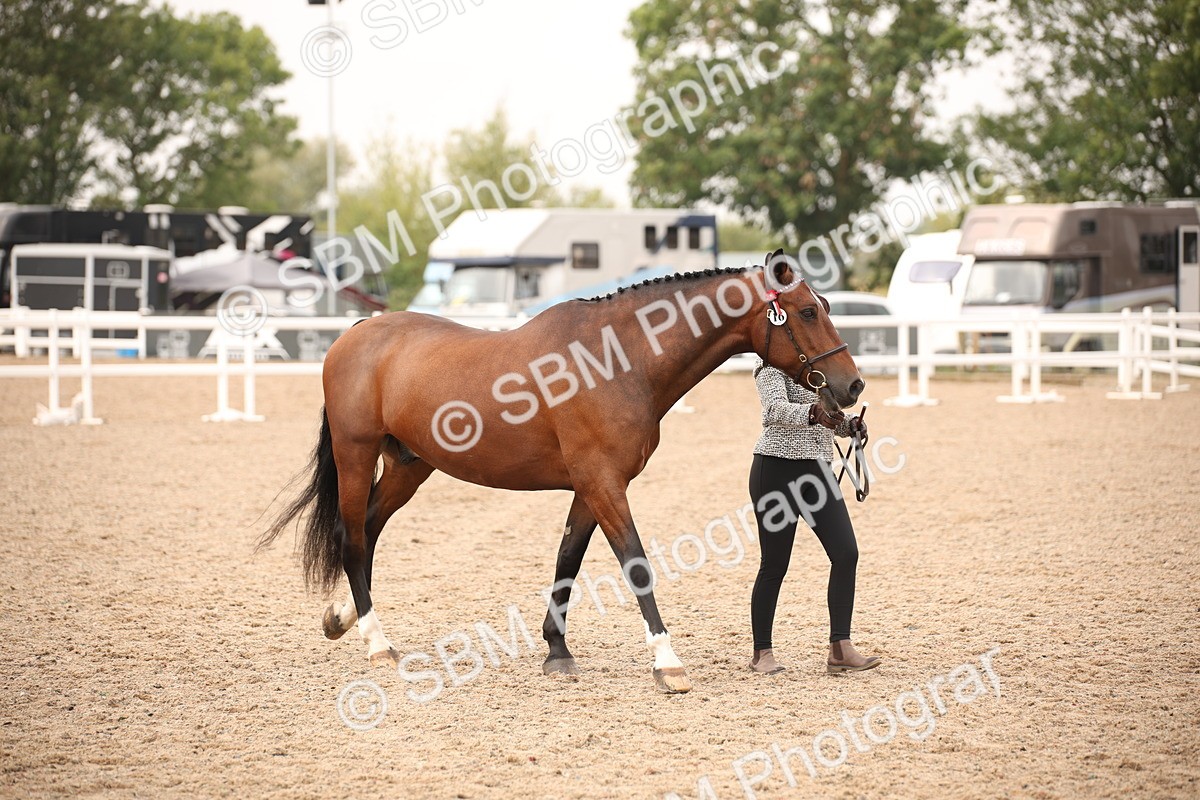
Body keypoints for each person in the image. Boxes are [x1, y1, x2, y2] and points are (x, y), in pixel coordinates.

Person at [747, 358, 880, 675]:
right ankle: (761, 652)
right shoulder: (770, 368)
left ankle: (840, 647)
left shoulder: (821, 374)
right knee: (775, 564)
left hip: (818, 473)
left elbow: (831, 418)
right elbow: (773, 411)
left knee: (846, 553)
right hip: (775, 470)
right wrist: (811, 413)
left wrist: (850, 426)